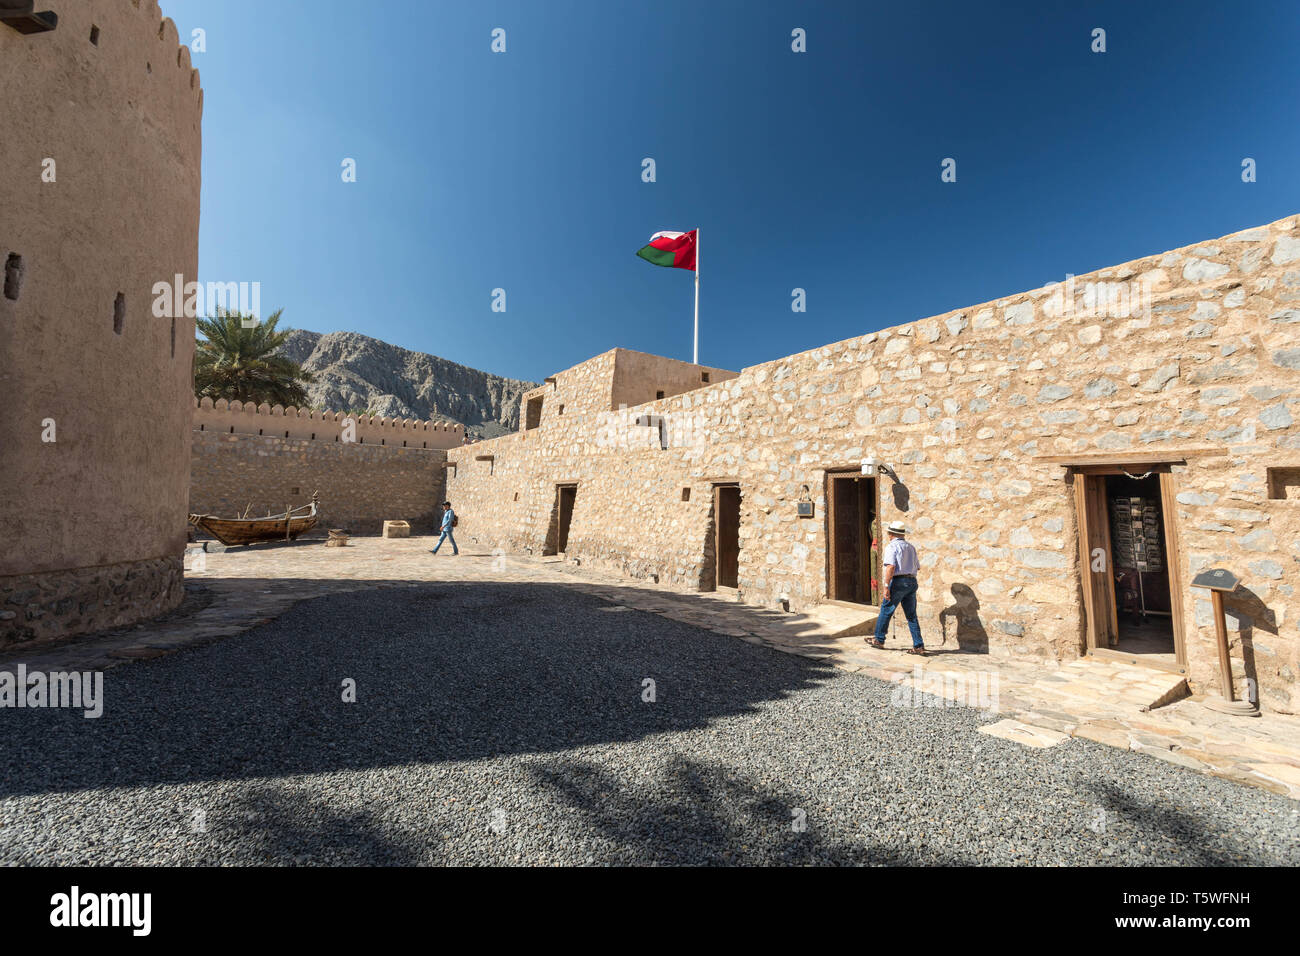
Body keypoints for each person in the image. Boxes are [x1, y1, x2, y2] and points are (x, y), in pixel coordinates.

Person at [868, 520, 925, 655]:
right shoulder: (911, 547)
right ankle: (919, 645)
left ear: (890, 533)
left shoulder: (891, 547)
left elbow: (891, 567)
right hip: (912, 581)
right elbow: (918, 566)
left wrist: (886, 586)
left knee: (886, 609)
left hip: (899, 581)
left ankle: (879, 639)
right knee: (911, 615)